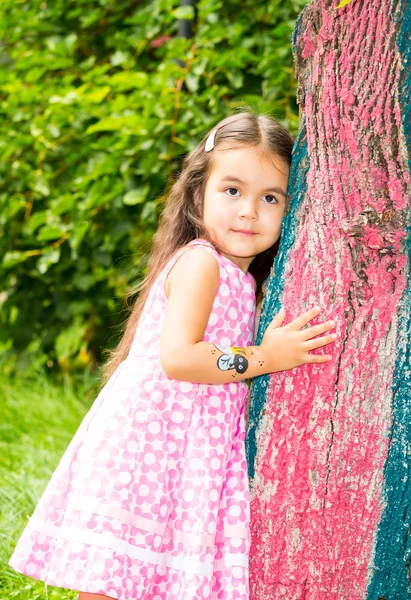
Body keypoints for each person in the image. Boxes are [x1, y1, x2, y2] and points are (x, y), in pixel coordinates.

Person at [9, 111, 336, 600]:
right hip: (150, 439)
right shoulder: (202, 262)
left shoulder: (240, 278)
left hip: (186, 442)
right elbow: (180, 358)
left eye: (270, 198)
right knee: (112, 577)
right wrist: (267, 357)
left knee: (147, 574)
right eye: (232, 190)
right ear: (198, 192)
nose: (249, 211)